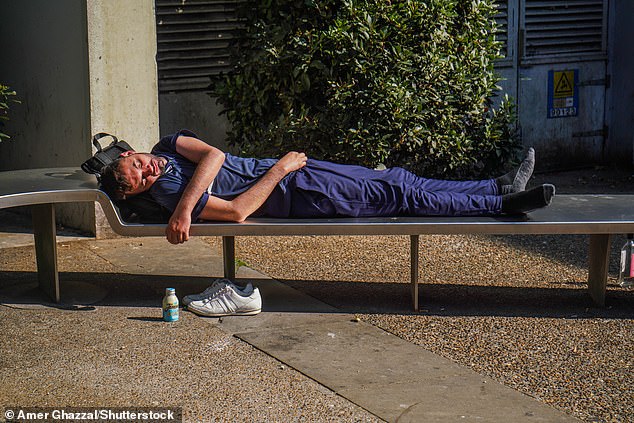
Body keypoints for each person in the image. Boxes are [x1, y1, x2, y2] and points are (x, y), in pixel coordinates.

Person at [99, 129, 554, 316]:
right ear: (139, 192)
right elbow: (237, 212)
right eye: (138, 180)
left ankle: (496, 188)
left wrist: (183, 209)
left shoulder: (169, 145)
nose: (146, 170)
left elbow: (215, 156)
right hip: (301, 192)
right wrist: (277, 171)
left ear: (129, 151)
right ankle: (503, 205)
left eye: (137, 163)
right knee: (398, 195)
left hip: (302, 174)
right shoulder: (172, 194)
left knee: (398, 178)